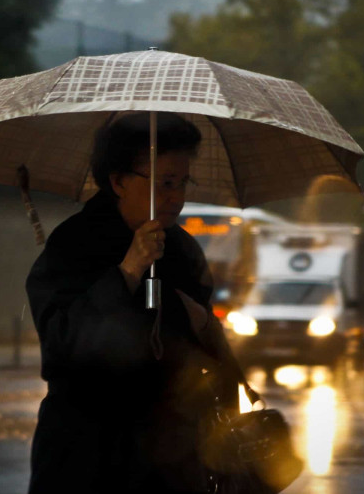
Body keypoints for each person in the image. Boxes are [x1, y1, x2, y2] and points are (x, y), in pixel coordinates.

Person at [25, 112, 248, 494]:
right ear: (118, 181)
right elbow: (63, 346)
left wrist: (206, 329)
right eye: (164, 183)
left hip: (173, 461)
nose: (176, 197)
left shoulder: (181, 249)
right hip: (88, 458)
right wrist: (128, 270)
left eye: (182, 183)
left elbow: (206, 359)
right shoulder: (72, 245)